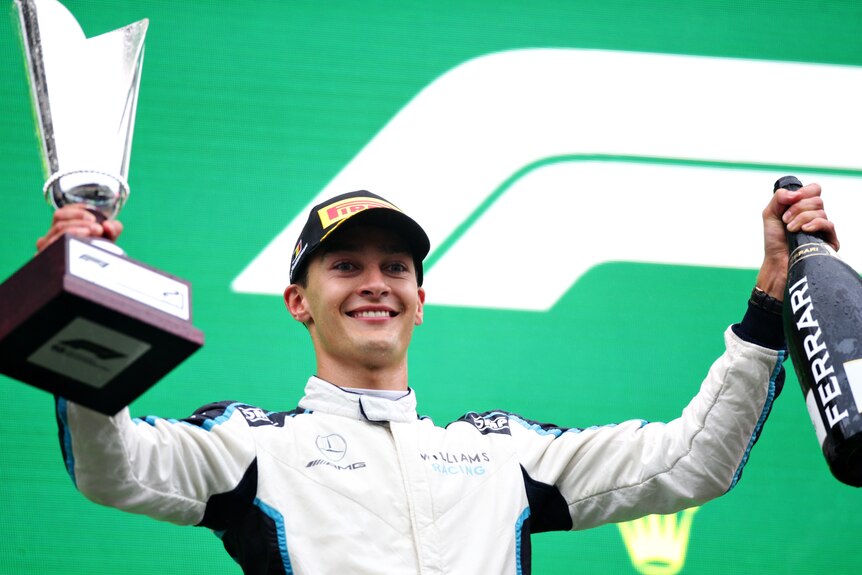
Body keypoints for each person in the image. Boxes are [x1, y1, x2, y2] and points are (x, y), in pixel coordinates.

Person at [38, 184, 838, 574]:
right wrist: (84, 311)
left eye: (396, 266)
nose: (375, 282)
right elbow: (114, 467)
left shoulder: (500, 454)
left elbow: (693, 461)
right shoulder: (251, 445)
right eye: (345, 265)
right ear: (298, 302)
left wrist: (770, 299)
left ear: (422, 299)